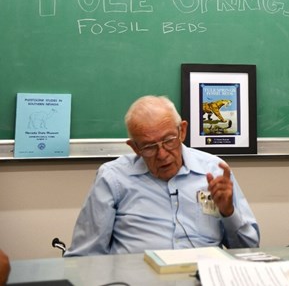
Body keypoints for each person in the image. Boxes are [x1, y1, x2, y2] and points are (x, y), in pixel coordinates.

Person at [65, 95, 259, 256]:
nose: (162, 154)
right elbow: (84, 256)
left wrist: (229, 212)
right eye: (149, 147)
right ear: (135, 148)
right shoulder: (113, 178)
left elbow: (250, 250)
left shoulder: (215, 170)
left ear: (182, 131)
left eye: (168, 140)